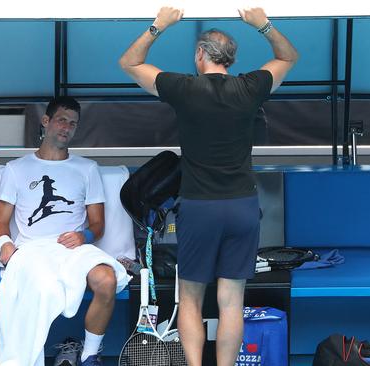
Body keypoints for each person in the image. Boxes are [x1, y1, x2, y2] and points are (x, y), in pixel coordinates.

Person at [119, 7, 298, 366]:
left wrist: (160, 26)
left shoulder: (184, 88)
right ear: (230, 59)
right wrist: (262, 24)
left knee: (190, 298)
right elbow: (288, 56)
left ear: (200, 53)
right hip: (243, 206)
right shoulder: (251, 86)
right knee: (232, 300)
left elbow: (129, 62)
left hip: (200, 208)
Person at [0, 97, 129, 366]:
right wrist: (5, 243)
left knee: (107, 280)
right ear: (46, 122)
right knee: (41, 289)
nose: (66, 127)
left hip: (74, 250)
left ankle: (90, 355)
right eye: (61, 120)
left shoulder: (87, 169)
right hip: (32, 250)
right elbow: (1, 223)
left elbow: (98, 225)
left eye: (73, 123)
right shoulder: (16, 169)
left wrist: (84, 236)